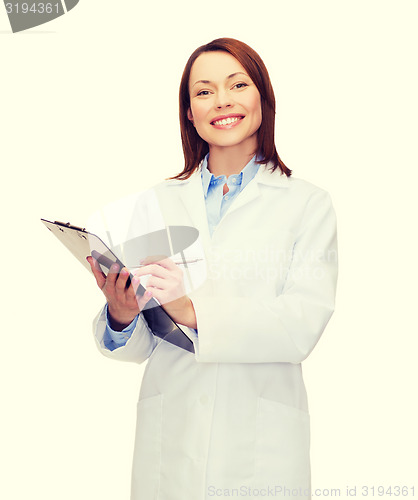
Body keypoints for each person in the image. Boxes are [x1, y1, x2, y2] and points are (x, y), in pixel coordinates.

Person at [87, 37, 338, 500]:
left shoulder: (307, 204)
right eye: (203, 92)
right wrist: (122, 315)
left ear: (262, 95)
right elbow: (146, 342)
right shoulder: (158, 201)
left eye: (237, 85)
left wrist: (190, 309)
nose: (221, 101)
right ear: (189, 112)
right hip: (172, 441)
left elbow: (301, 324)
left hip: (260, 445)